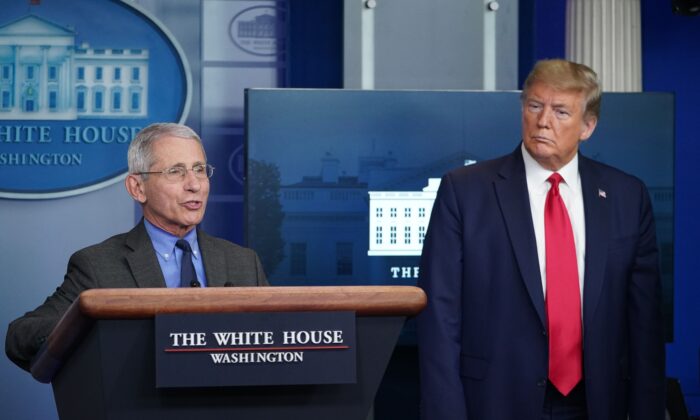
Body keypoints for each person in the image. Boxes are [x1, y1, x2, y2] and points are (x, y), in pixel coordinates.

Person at [417, 59, 665, 420]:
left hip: (597, 403)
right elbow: (439, 315)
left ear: (588, 127)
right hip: (494, 401)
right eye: (535, 106)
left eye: (561, 111)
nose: (543, 121)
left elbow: (645, 326)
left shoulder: (627, 196)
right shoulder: (465, 192)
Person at [6, 123, 268, 372]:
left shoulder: (243, 262)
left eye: (199, 169)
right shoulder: (97, 266)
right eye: (176, 171)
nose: (194, 184)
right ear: (137, 187)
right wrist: (90, 331)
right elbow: (21, 335)